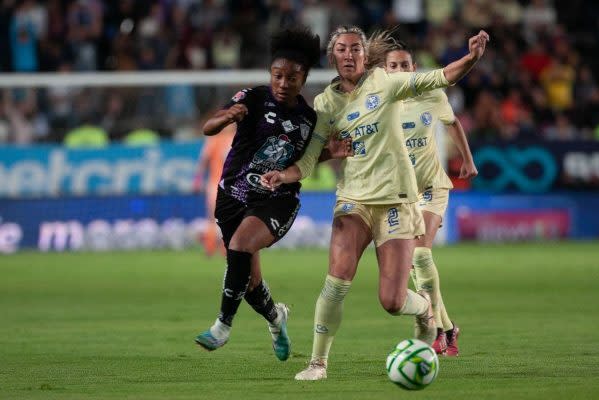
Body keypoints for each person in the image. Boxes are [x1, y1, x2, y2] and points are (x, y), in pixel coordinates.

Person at [261, 25, 488, 380]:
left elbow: (441, 77)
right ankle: (318, 363)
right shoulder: (325, 104)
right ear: (332, 57)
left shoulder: (385, 83)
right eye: (341, 49)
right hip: (353, 199)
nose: (348, 54)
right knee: (336, 280)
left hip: (396, 200)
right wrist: (284, 175)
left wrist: (471, 57)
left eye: (355, 48)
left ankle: (425, 310)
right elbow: (309, 159)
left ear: (365, 56)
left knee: (392, 301)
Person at [193, 27, 322, 362]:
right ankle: (276, 319)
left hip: (277, 199)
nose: (283, 83)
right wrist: (227, 117)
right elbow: (208, 127)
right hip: (232, 196)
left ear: (304, 79)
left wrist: (333, 151)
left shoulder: (309, 120)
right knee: (249, 282)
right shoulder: (252, 97)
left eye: (292, 77)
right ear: (270, 74)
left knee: (239, 246)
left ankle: (222, 326)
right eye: (278, 75)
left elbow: (309, 158)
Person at [368, 33, 478, 356]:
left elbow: (452, 123)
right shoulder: (380, 101)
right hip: (402, 194)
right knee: (414, 267)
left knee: (420, 255)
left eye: (405, 65)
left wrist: (467, 159)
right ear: (385, 71)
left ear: (414, 68)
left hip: (432, 187)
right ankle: (446, 327)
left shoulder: (431, 93)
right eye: (394, 66)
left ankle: (437, 330)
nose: (400, 70)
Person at [193, 123, 235, 257]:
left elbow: (203, 161)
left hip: (224, 184)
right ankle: (215, 247)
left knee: (220, 217)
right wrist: (197, 180)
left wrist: (197, 180)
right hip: (220, 184)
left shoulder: (218, 139)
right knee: (219, 217)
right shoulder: (217, 139)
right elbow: (204, 161)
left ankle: (217, 248)